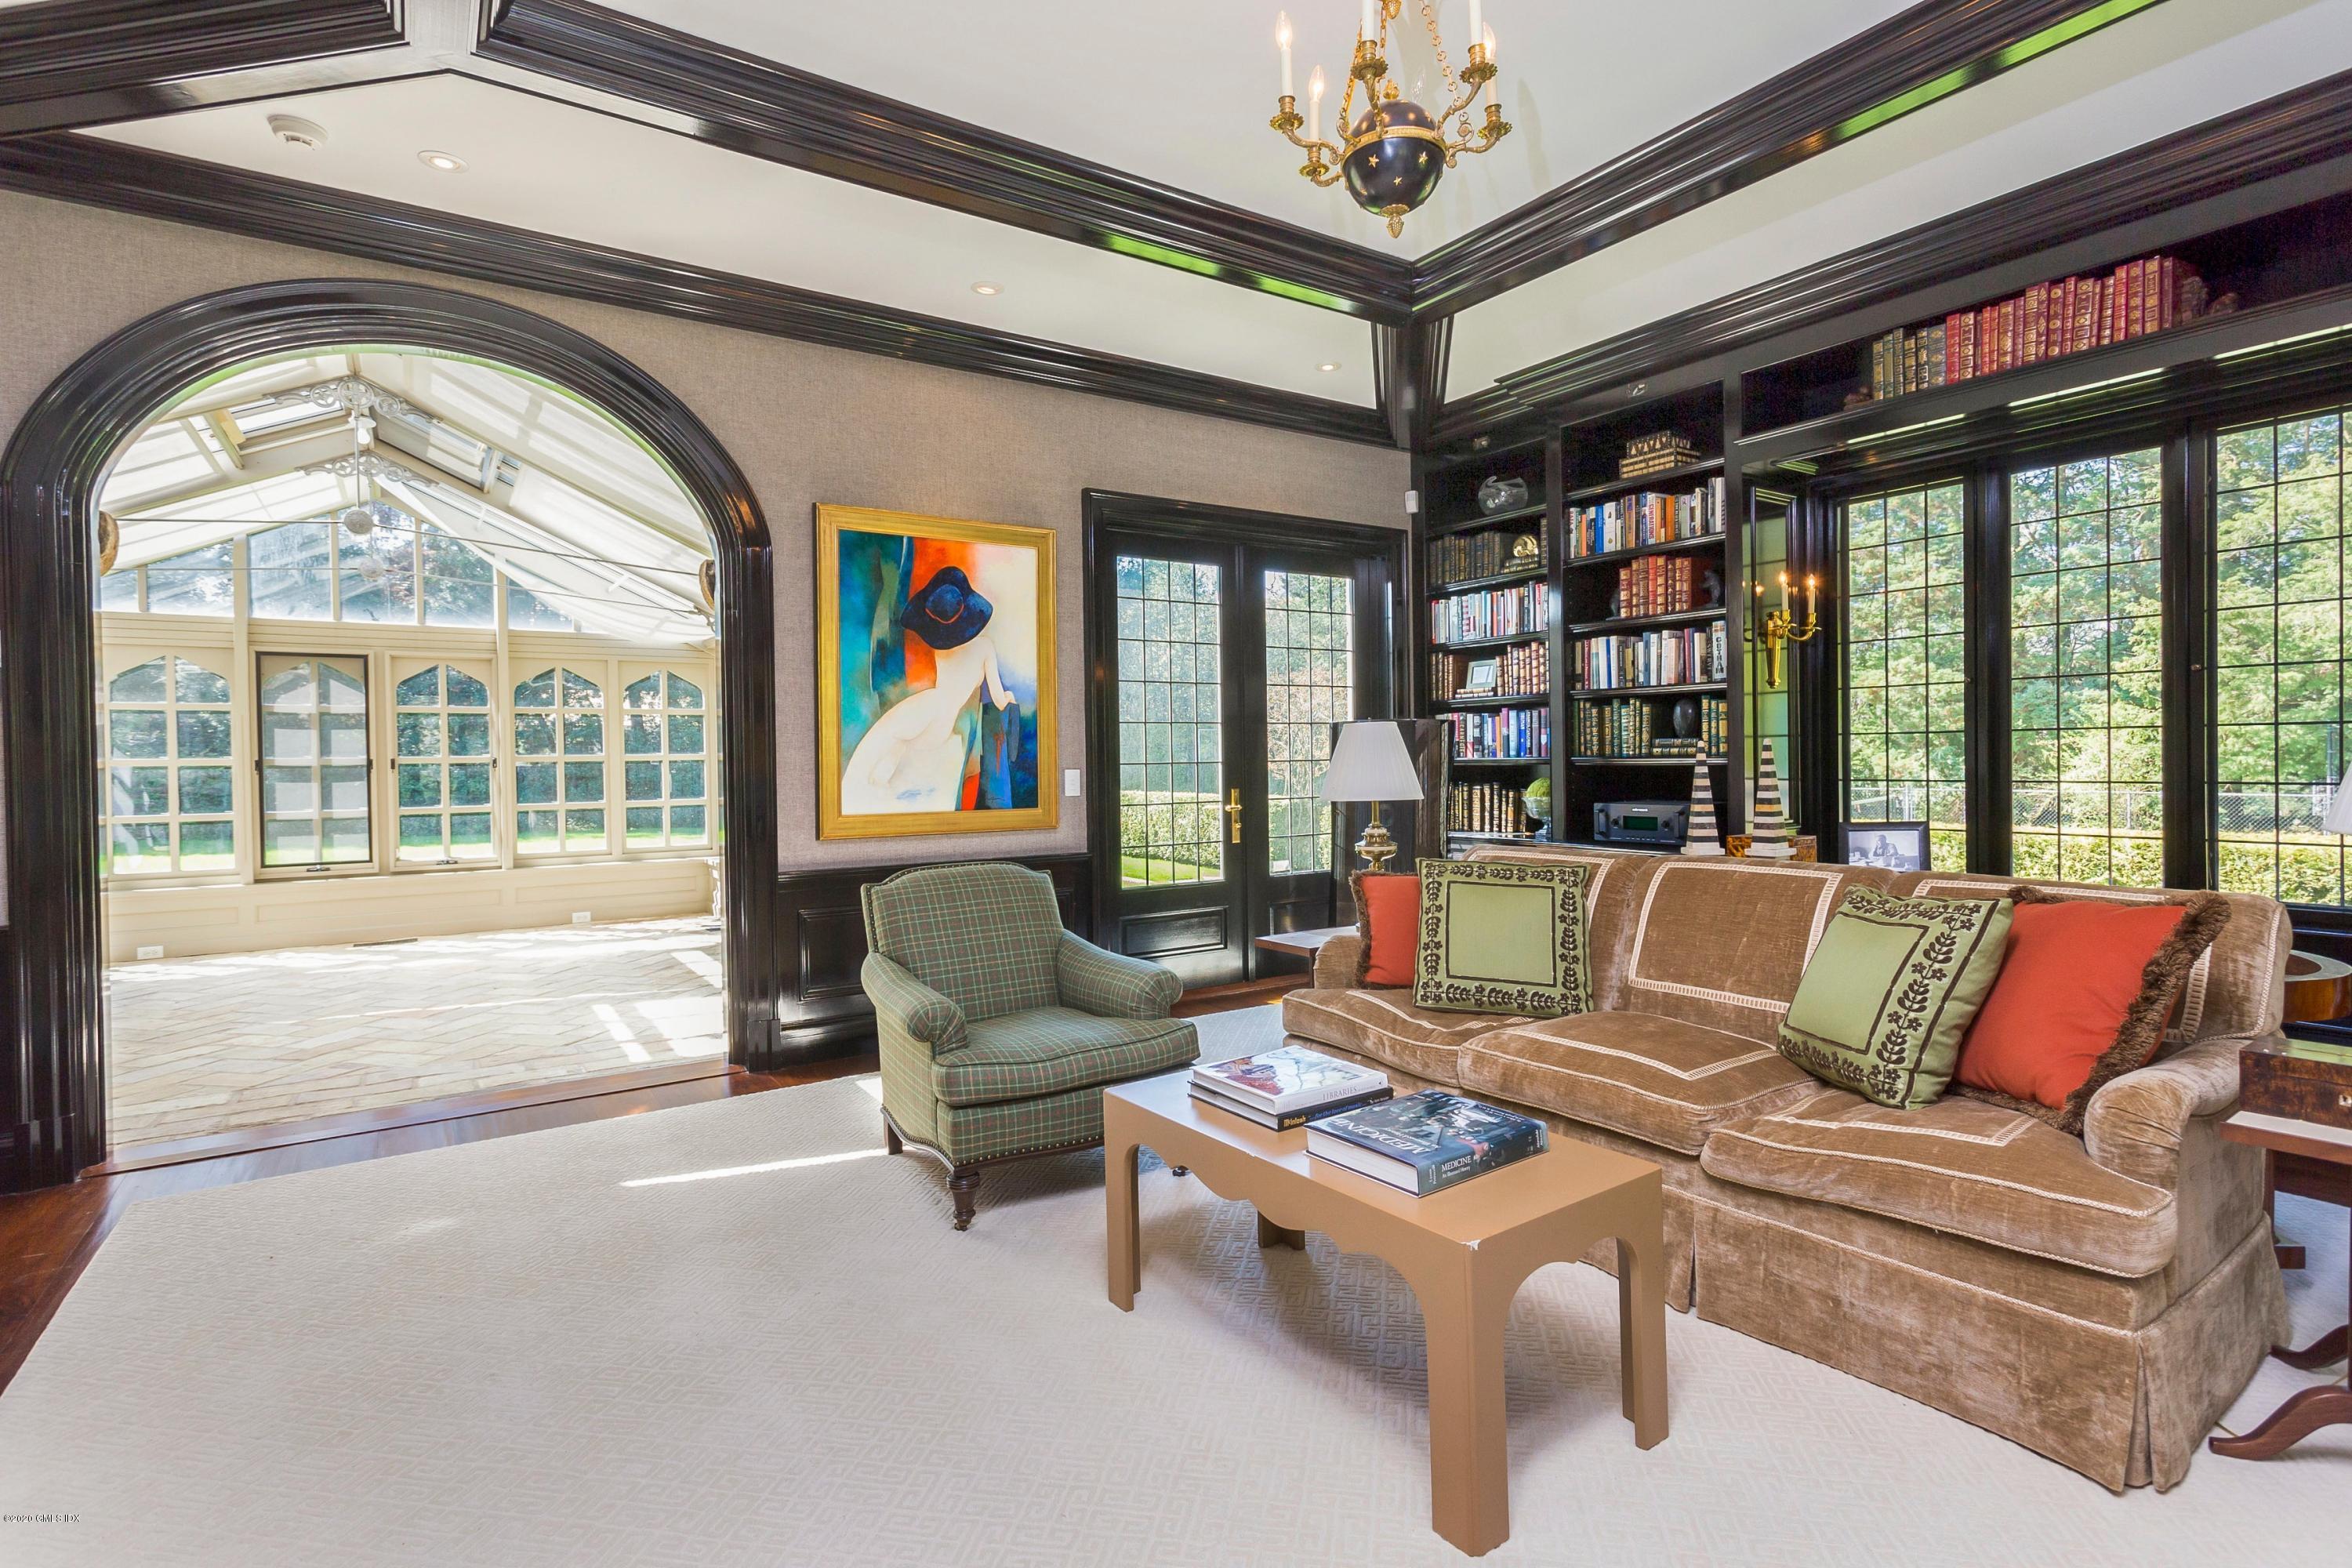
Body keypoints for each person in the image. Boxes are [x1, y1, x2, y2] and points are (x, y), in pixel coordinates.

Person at [841, 566, 1016, 813]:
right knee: (895, 740)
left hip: (933, 711)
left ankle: (869, 785)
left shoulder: (941, 649)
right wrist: (1009, 698)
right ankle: (873, 782)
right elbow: (999, 700)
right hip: (940, 723)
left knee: (892, 740)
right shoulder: (985, 647)